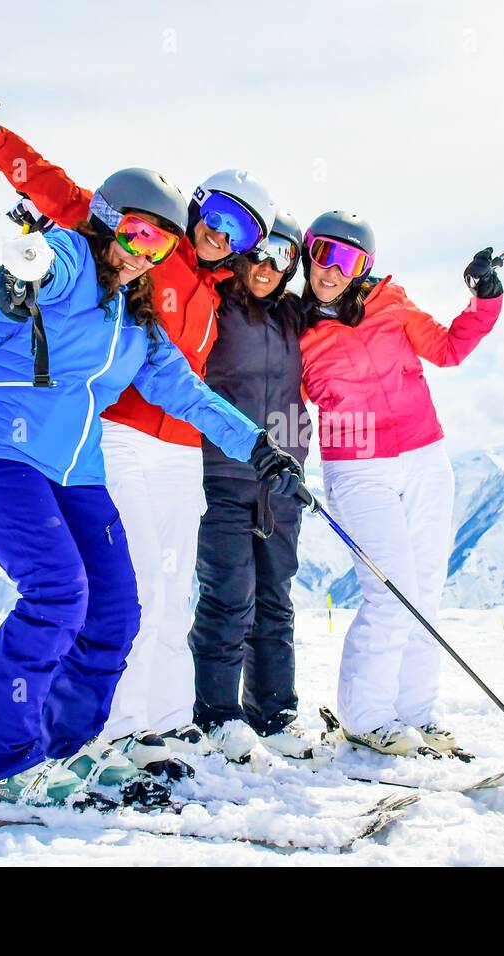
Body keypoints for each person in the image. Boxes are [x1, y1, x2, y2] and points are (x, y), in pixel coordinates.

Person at [0, 159, 303, 803]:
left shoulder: (137, 323)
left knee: (115, 611)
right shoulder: (73, 259)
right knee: (55, 593)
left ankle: (67, 750)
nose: (143, 253)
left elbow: (186, 392)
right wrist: (21, 274)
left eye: (159, 242)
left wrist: (260, 449)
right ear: (107, 222)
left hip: (75, 471)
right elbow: (42, 261)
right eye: (134, 233)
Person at [296, 211, 504, 756]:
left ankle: (418, 714)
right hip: (358, 467)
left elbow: (448, 350)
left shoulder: (392, 304)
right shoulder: (293, 326)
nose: (331, 269)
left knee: (426, 593)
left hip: (425, 456)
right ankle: (367, 717)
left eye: (348, 260)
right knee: (392, 593)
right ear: (307, 252)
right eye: (322, 253)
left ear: (365, 267)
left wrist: (483, 299)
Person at [187, 211, 331, 762]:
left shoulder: (296, 318)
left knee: (275, 598)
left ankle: (273, 713)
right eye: (261, 251)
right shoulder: (216, 303)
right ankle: (217, 715)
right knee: (228, 596)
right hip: (221, 472)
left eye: (283, 256)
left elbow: (351, 298)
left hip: (283, 480)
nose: (268, 266)